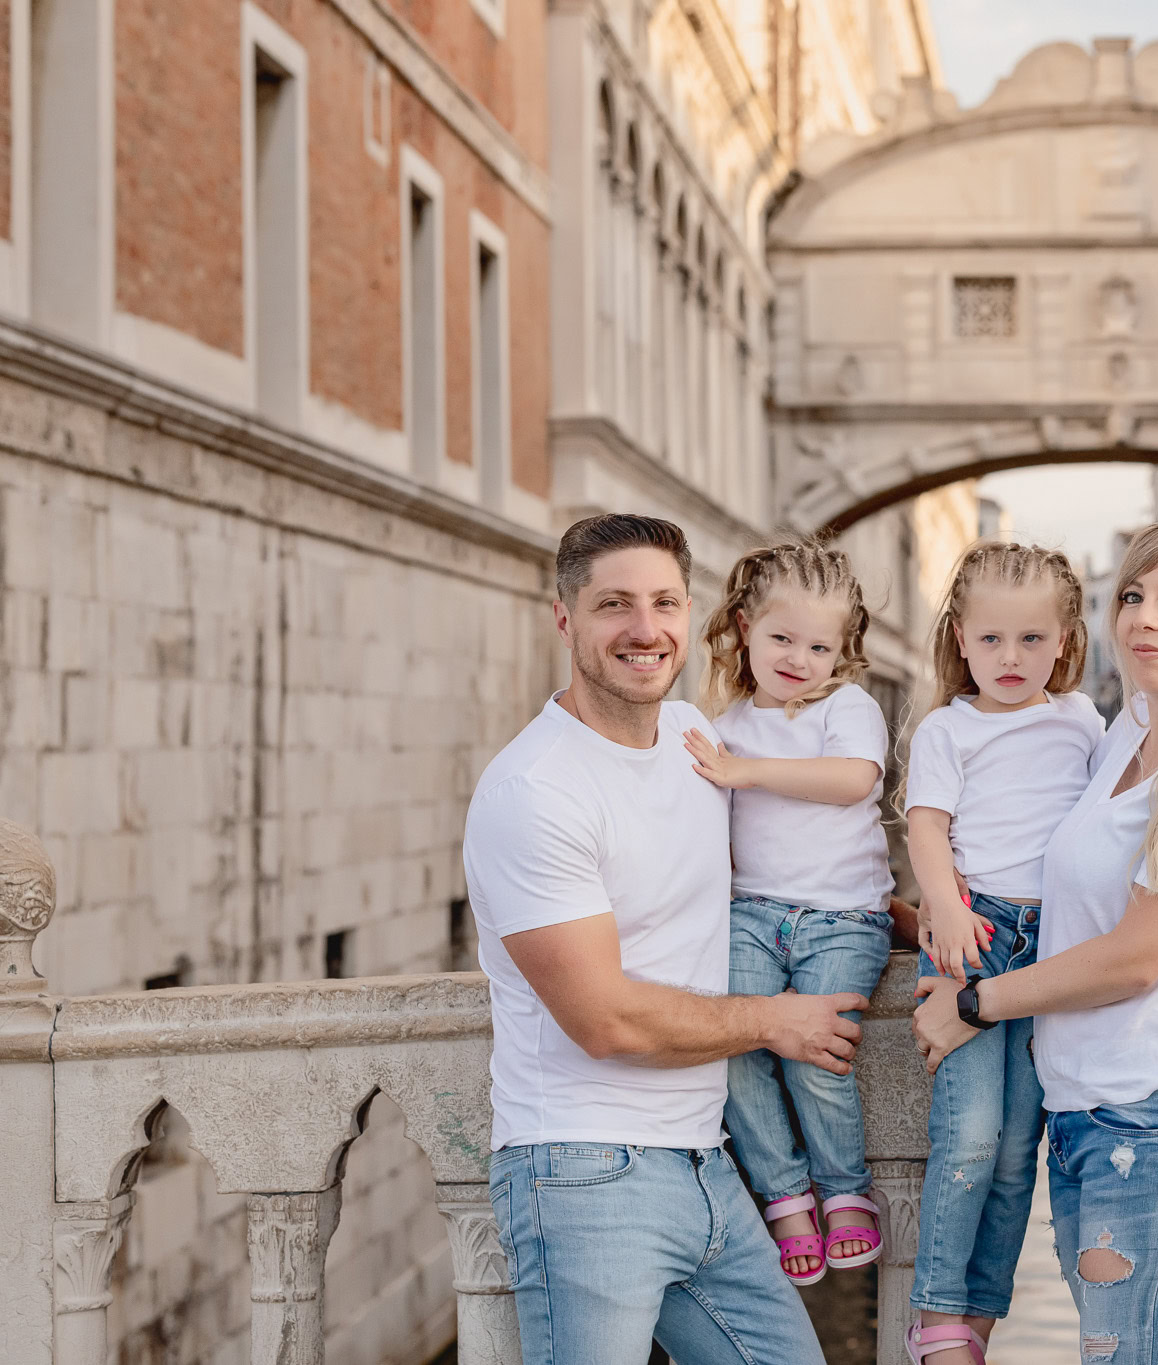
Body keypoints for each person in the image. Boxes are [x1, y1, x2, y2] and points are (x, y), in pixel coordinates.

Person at [464, 513, 859, 1365]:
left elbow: (790, 873)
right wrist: (774, 1020)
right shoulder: (535, 790)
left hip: (704, 1161)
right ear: (564, 619)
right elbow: (605, 1019)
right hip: (581, 1170)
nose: (645, 629)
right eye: (615, 605)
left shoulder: (697, 742)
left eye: (664, 603)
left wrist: (910, 920)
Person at [912, 519, 1158, 1365]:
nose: (1145, 619)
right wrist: (924, 912)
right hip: (1088, 1115)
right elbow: (1037, 878)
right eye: (1132, 595)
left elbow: (1136, 955)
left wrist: (974, 1003)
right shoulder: (1122, 731)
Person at [900, 543, 1104, 1365]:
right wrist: (942, 905)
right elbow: (925, 825)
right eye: (990, 640)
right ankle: (937, 1306)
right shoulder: (947, 728)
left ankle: (981, 1309)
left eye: (1030, 639)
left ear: (1063, 640)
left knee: (1023, 1145)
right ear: (959, 637)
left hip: (1048, 945)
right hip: (974, 935)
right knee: (974, 1132)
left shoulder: (1081, 720)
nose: (1010, 658)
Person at [683, 538, 893, 1284]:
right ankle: (785, 1196)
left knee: (816, 1054)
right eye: (782, 638)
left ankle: (843, 1191)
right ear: (744, 626)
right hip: (751, 913)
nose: (800, 658)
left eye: (819, 645)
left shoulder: (848, 706)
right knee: (735, 1042)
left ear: (843, 650)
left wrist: (750, 771)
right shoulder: (730, 721)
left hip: (843, 917)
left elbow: (851, 780)